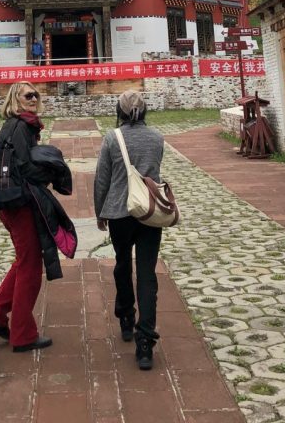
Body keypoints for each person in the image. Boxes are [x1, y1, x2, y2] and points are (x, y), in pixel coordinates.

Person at [93, 89, 165, 370]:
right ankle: (145, 342)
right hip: (149, 211)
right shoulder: (157, 137)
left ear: (119, 111)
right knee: (147, 274)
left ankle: (125, 316)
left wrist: (100, 212)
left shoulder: (113, 138)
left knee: (123, 263)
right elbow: (154, 171)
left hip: (120, 213)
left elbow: (102, 179)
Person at [0, 82, 54, 353]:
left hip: (11, 201)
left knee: (24, 260)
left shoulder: (18, 125)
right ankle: (23, 334)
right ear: (16, 99)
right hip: (18, 202)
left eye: (36, 94)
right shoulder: (21, 127)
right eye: (28, 95)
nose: (34, 98)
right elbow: (25, 167)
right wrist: (53, 173)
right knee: (31, 266)